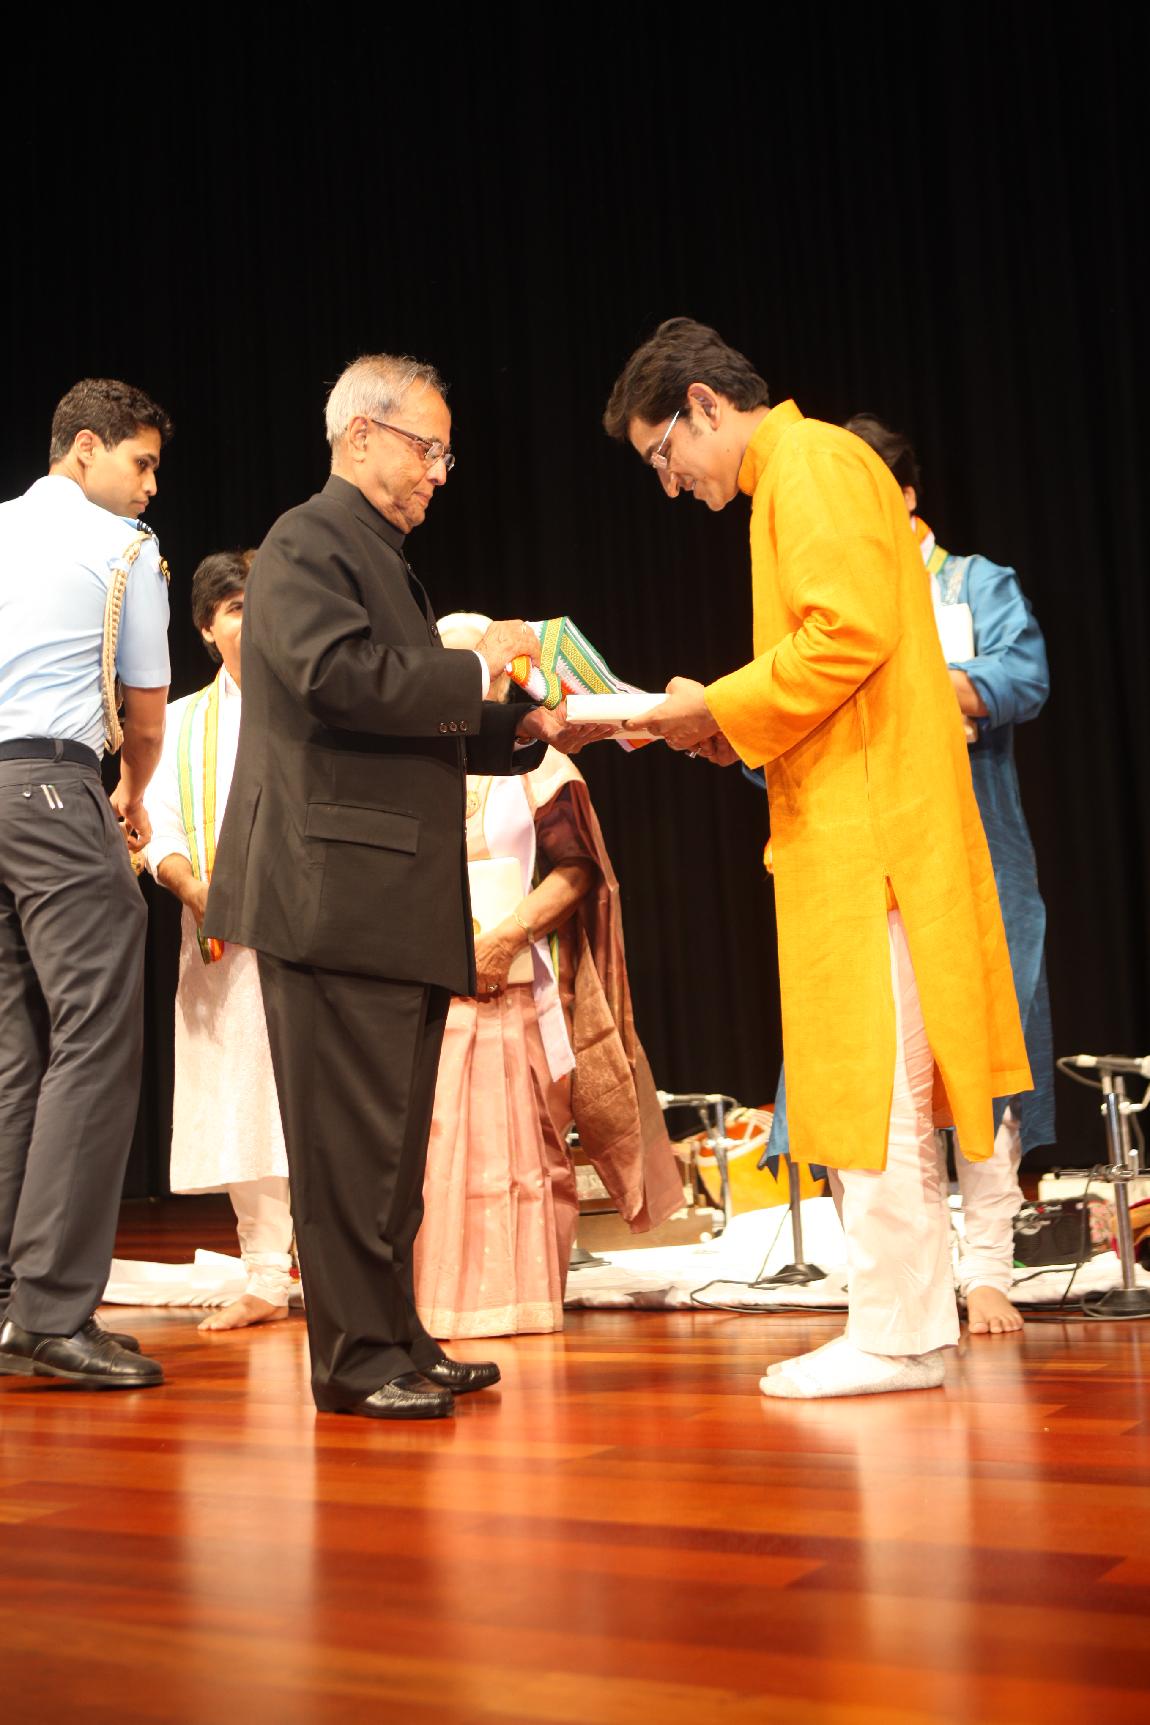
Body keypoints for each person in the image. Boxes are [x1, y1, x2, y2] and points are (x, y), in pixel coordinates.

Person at [603, 318, 1030, 1399]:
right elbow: (839, 663)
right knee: (886, 1091)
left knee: (876, 1091)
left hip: (871, 835)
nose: (670, 483)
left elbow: (844, 636)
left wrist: (714, 705)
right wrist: (723, 729)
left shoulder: (810, 464)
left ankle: (894, 1334)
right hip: (865, 820)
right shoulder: (801, 470)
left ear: (704, 404)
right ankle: (907, 1328)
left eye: (664, 454)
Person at [204, 353, 568, 1421]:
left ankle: (397, 1335)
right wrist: (478, 666)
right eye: (428, 449)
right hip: (332, 893)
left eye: (445, 454)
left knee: (391, 1146)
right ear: (360, 435)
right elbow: (337, 679)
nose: (439, 473)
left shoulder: (374, 553)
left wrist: (520, 730)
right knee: (348, 1147)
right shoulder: (306, 540)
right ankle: (355, 1361)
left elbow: (395, 719)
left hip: (382, 894)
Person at [415, 614, 682, 1339]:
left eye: (478, 665)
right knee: (435, 1147)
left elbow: (577, 869)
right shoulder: (412, 761)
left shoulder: (541, 763)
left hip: (520, 983)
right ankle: (432, 1306)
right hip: (429, 987)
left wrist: (505, 939)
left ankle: (524, 1299)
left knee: (523, 1145)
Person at [847, 413, 1055, 1334]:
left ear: (906, 495)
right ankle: (913, 1276)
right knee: (886, 1072)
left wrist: (911, 687)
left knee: (982, 1058)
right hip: (870, 858)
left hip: (973, 851)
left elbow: (1022, 676)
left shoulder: (974, 583)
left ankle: (989, 1268)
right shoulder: (835, 600)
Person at [0, 377, 173, 1390]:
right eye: (140, 462)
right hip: (56, 787)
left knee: (14, 1049)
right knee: (96, 1033)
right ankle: (51, 1313)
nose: (149, 486)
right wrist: (133, 795)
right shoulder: (124, 549)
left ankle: (10, 1301)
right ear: (84, 449)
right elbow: (145, 715)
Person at [143, 551, 296, 1332]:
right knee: (245, 1099)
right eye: (234, 607)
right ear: (207, 628)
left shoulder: (310, 702)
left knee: (321, 1099)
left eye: (261, 602)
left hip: (313, 929)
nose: (250, 617)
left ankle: (346, 1269)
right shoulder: (180, 722)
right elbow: (156, 827)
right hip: (222, 939)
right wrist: (195, 889)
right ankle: (267, 1275)